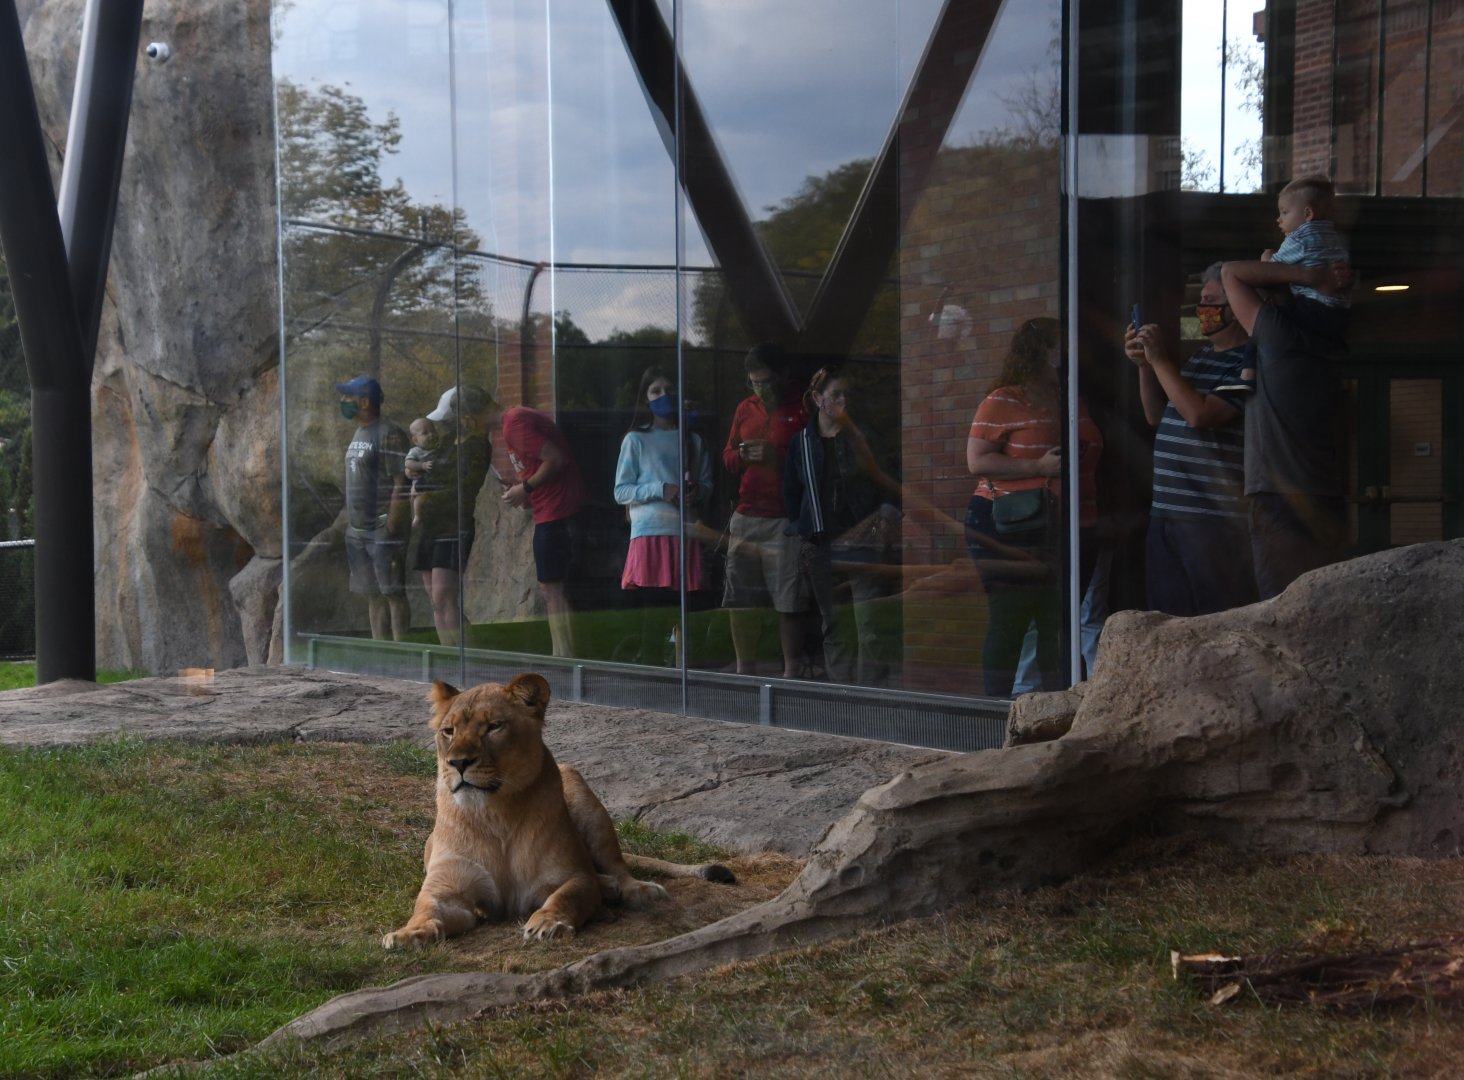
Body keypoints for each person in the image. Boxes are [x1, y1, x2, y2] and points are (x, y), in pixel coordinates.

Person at [965, 318, 1103, 695]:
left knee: (1057, 622)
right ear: (1040, 352)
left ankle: (1051, 712)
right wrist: (1037, 467)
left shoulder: (1070, 396)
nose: (1071, 352)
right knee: (1010, 619)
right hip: (1012, 525)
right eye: (1062, 345)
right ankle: (992, 716)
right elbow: (976, 461)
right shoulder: (1004, 399)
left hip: (1072, 525)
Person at [1126, 263, 1258, 615]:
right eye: (1200, 301)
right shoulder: (1200, 358)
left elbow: (1200, 414)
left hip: (1211, 519)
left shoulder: (1246, 362)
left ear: (1236, 308)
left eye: (1211, 301)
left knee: (1215, 616)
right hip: (1167, 513)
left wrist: (1161, 361)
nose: (1203, 310)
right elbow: (1156, 414)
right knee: (1168, 616)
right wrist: (1145, 365)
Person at [1221, 248, 1350, 600]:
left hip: (1281, 499)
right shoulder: (1332, 344)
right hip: (1327, 497)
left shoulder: (1280, 339)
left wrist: (1305, 274)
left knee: (1282, 614)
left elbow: (1232, 271)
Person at [783, 365, 901, 687]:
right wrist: (801, 528)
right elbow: (792, 492)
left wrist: (886, 518)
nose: (842, 401)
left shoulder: (862, 436)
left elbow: (887, 480)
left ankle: (871, 698)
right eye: (835, 394)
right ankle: (841, 698)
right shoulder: (802, 443)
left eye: (847, 395)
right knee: (834, 624)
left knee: (870, 623)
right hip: (821, 544)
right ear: (818, 397)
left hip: (863, 542)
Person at [614, 367, 714, 664]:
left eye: (669, 389)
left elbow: (708, 483)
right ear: (645, 399)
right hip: (651, 531)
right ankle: (651, 664)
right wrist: (661, 488)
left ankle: (683, 665)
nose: (664, 396)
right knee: (654, 610)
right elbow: (621, 491)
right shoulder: (636, 439)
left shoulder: (693, 440)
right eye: (655, 391)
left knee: (685, 609)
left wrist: (698, 491)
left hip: (685, 530)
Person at [720, 343, 809, 677]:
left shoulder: (800, 408)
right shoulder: (746, 408)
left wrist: (778, 458)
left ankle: (791, 671)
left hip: (785, 517)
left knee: (788, 598)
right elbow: (727, 457)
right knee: (739, 598)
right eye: (754, 382)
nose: (760, 388)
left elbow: (815, 463)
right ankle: (745, 668)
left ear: (782, 376)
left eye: (766, 381)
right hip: (746, 514)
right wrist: (742, 455)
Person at [495, 395, 587, 658]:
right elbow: (538, 465)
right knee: (550, 588)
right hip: (546, 510)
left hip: (558, 511)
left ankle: (565, 655)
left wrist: (525, 487)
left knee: (553, 587)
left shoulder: (514, 422)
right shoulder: (511, 422)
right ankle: (561, 652)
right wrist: (523, 490)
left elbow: (555, 459)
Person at [335, 375, 411, 641]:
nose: (343, 402)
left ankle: (402, 655)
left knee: (392, 592)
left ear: (365, 401)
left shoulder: (389, 433)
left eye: (348, 397)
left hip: (380, 528)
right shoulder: (359, 432)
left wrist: (390, 525)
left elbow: (402, 483)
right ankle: (380, 651)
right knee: (373, 594)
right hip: (357, 530)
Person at [416, 387, 493, 645]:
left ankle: (465, 657)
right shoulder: (447, 443)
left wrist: (429, 498)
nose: (448, 424)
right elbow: (428, 474)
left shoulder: (477, 445)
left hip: (452, 524)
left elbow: (465, 488)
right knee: (434, 600)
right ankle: (447, 657)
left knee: (444, 597)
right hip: (430, 525)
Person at [1264, 174, 1350, 336]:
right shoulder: (1333, 236)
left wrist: (1266, 257)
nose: (1278, 219)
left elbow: (1272, 269)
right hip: (1339, 309)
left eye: (1284, 212)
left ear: (1307, 213)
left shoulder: (1300, 239)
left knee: (1268, 324)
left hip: (1312, 307)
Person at [404, 416, 441, 529]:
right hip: (421, 486)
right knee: (419, 499)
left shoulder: (438, 448)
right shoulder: (415, 451)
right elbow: (408, 463)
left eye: (433, 431)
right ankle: (417, 517)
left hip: (435, 486)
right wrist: (421, 465)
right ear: (415, 440)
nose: (431, 435)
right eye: (425, 433)